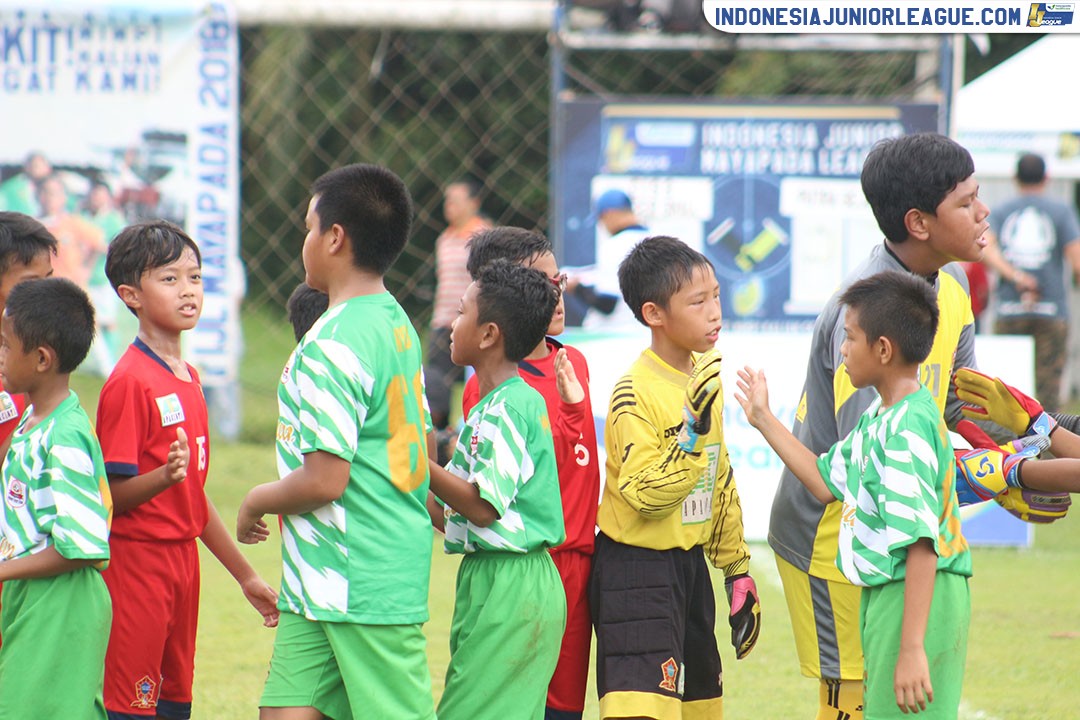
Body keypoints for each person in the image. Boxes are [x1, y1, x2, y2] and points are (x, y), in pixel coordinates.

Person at [768, 132, 990, 720]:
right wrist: (1004, 476)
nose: (983, 212)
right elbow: (875, 470)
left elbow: (957, 409)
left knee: (903, 699)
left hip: (899, 534)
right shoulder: (859, 316)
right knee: (855, 699)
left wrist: (1038, 441)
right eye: (966, 203)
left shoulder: (955, 286)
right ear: (919, 223)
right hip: (834, 533)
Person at [236, 164, 436, 720]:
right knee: (284, 712)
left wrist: (254, 499)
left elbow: (326, 479)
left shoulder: (332, 340)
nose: (304, 240)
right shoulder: (395, 321)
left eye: (307, 227)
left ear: (335, 237)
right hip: (317, 586)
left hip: (362, 580)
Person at [737, 270, 972, 719]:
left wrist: (912, 648)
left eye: (849, 338)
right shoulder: (881, 418)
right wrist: (763, 418)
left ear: (883, 349)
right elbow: (825, 482)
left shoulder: (905, 429)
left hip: (916, 593)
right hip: (889, 592)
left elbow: (921, 544)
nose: (841, 349)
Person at [97, 220, 279, 720]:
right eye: (170, 279)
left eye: (194, 278)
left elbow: (192, 500)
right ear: (131, 295)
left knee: (176, 702)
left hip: (184, 567)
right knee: (133, 705)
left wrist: (245, 577)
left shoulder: (190, 378)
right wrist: (163, 478)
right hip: (138, 566)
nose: (188, 291)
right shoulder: (129, 382)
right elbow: (110, 497)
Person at [590, 235, 759, 720]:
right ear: (654, 314)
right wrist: (691, 437)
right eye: (698, 301)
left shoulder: (706, 374)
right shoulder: (632, 392)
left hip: (689, 570)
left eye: (717, 297)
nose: (714, 312)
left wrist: (736, 570)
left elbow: (718, 475)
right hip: (636, 572)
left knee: (700, 709)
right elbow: (643, 494)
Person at [461, 227, 600, 720]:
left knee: (565, 706)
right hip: (530, 563)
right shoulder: (492, 384)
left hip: (582, 559)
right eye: (542, 280)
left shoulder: (573, 361)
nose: (556, 291)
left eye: (558, 277)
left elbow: (580, 459)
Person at [428, 259, 566, 720]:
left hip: (514, 583)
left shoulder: (509, 408)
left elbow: (484, 507)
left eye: (461, 311)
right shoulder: (491, 407)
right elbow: (448, 514)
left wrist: (417, 463)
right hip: (493, 577)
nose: (450, 321)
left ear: (488, 334)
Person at [0, 277, 112, 720]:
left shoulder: (64, 437)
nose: (1, 355)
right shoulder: (32, 419)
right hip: (31, 594)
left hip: (61, 603)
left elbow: (82, 548)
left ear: (42, 359)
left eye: (6, 346)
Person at [980, 152, 1080, 412]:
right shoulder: (1061, 211)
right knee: (1047, 393)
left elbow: (986, 250)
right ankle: (1048, 449)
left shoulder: (1002, 211)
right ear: (1046, 178)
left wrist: (1015, 276)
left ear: (1016, 178)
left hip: (1010, 310)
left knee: (1007, 393)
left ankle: (1008, 450)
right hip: (1051, 311)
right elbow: (1077, 260)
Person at [426, 178, 490, 461]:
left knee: (472, 387)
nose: (448, 206)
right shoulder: (443, 239)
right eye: (447, 199)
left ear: (473, 203)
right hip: (441, 325)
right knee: (435, 389)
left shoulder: (483, 237)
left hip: (470, 325)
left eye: (456, 199)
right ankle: (438, 450)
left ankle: (471, 448)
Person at [567, 188, 649, 329]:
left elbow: (607, 305)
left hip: (616, 334)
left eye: (601, 219)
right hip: (649, 334)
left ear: (609, 214)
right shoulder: (659, 241)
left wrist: (577, 288)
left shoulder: (614, 246)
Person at [37, 174, 108, 292]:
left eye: (54, 193)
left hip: (70, 290)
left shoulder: (72, 223)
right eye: (45, 192)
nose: (49, 198)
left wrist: (86, 269)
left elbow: (99, 244)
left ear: (63, 197)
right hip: (42, 291)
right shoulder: (32, 226)